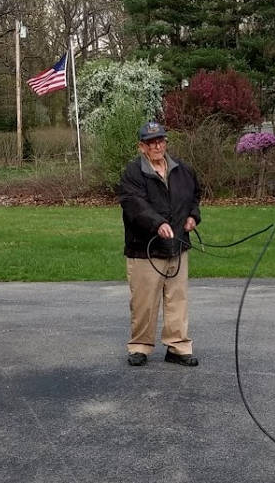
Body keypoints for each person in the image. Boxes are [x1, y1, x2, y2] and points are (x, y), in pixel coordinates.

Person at [118, 120, 201, 367]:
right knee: (144, 301)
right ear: (141, 146)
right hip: (145, 249)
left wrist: (192, 217)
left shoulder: (182, 169)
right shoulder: (133, 173)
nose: (157, 146)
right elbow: (134, 204)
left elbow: (194, 195)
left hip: (177, 246)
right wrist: (157, 223)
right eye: (151, 142)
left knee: (177, 299)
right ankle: (140, 346)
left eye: (161, 141)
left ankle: (178, 347)